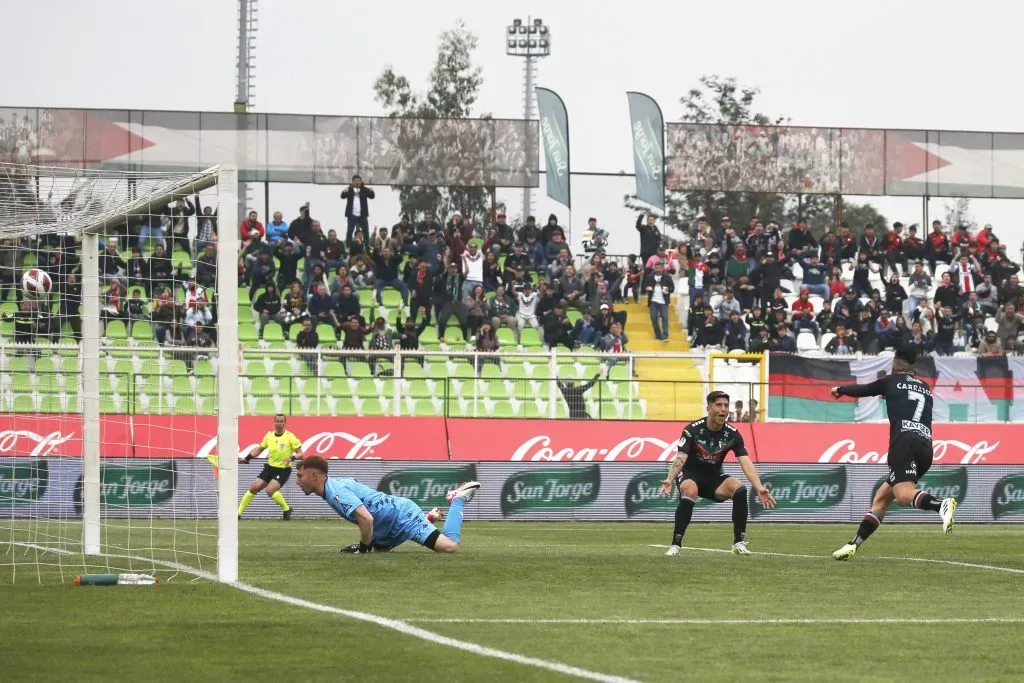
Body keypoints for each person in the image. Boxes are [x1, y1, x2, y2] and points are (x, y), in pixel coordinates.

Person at [831, 347, 957, 561]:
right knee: (881, 499)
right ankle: (853, 545)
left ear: (897, 364)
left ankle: (940, 505)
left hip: (903, 443)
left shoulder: (891, 381)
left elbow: (864, 390)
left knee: (903, 495)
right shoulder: (925, 387)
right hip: (925, 446)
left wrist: (840, 388)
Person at [660, 391, 776, 556]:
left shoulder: (732, 434)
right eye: (719, 405)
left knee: (740, 489)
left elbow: (745, 461)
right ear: (709, 408)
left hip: (713, 478)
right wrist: (670, 479)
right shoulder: (692, 430)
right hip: (690, 474)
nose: (723, 410)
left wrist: (759, 487)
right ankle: (675, 544)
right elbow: (681, 457)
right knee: (690, 491)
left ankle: (738, 543)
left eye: (726, 406)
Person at [295, 455, 480, 554]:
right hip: (388, 524)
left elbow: (366, 519)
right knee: (379, 550)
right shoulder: (333, 487)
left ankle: (457, 499)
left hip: (401, 516)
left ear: (314, 476)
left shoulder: (335, 491)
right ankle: (428, 518)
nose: (298, 481)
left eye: (300, 476)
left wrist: (363, 547)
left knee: (449, 547)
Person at [237, 414, 303, 520]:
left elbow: (300, 453)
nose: (279, 424)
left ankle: (286, 508)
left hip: (283, 470)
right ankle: (238, 513)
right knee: (254, 487)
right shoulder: (269, 436)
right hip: (270, 467)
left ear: (285, 423)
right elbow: (259, 449)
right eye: (277, 421)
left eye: (282, 421)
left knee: (269, 490)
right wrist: (247, 458)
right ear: (274, 422)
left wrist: (291, 458)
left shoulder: (290, 436)